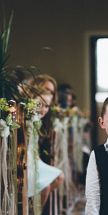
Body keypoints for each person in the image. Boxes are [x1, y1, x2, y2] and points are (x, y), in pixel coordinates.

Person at [26, 74, 65, 207]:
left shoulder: (38, 120)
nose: (43, 109)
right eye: (40, 105)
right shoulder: (27, 120)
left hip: (34, 159)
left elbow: (35, 149)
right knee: (46, 187)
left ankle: (31, 209)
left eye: (47, 106)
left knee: (59, 176)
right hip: (25, 162)